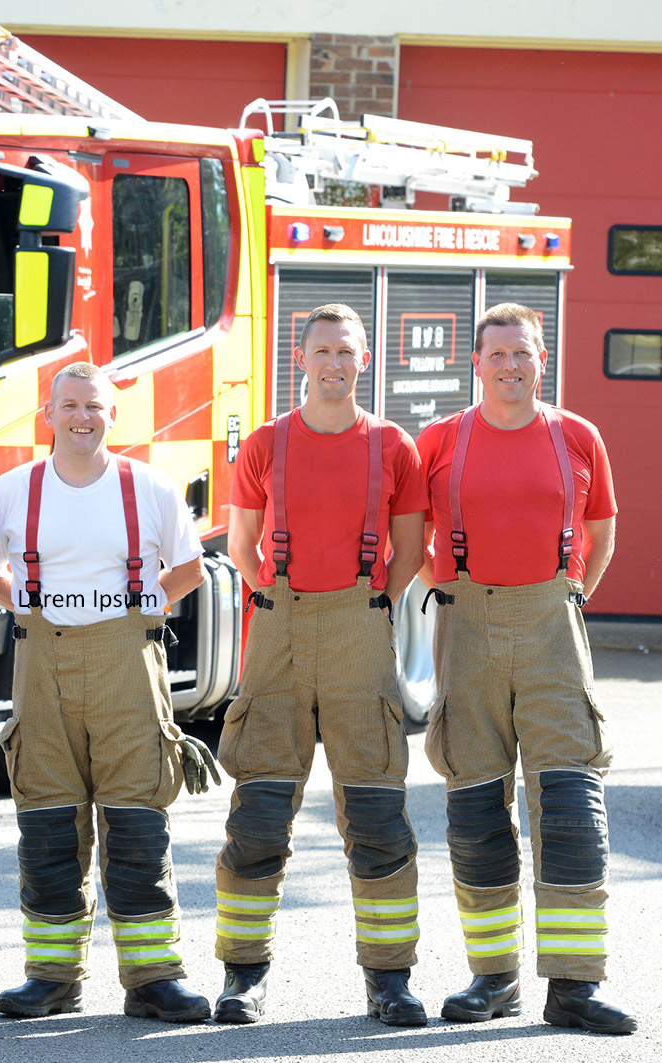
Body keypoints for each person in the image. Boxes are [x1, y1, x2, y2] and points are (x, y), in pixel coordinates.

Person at [0, 362, 217, 1024]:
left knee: (137, 819)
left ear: (114, 415)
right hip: (40, 660)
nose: (83, 416)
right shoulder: (11, 491)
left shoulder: (150, 488)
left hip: (127, 665)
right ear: (47, 415)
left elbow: (191, 567)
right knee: (48, 822)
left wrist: (145, 601)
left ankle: (153, 978)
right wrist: (21, 596)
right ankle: (52, 976)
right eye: (70, 404)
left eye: (95, 406)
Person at [416, 302, 633, 1035]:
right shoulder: (440, 440)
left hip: (552, 621)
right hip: (465, 626)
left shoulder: (578, 436)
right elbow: (411, 538)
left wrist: (568, 599)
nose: (512, 365)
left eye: (524, 353)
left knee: (571, 805)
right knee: (477, 808)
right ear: (475, 363)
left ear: (543, 360)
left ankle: (574, 986)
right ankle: (493, 978)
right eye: (498, 354)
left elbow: (601, 534)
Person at [210, 305, 428, 1026]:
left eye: (347, 351)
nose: (334, 363)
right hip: (280, 627)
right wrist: (279, 600)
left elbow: (411, 554)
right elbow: (242, 547)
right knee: (261, 815)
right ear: (301, 359)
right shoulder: (268, 442)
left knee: (377, 815)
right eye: (322, 351)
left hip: (358, 631)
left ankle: (389, 980)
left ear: (364, 360)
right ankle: (243, 974)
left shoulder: (393, 445)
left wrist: (367, 608)